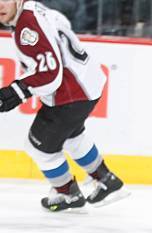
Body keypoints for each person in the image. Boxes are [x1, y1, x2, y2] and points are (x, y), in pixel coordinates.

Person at [0, 0, 126, 212]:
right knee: (72, 136)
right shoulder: (33, 9)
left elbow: (50, 75)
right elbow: (62, 22)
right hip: (88, 84)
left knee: (38, 147)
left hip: (70, 94)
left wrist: (16, 91)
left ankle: (67, 193)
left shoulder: (27, 27)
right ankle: (106, 179)